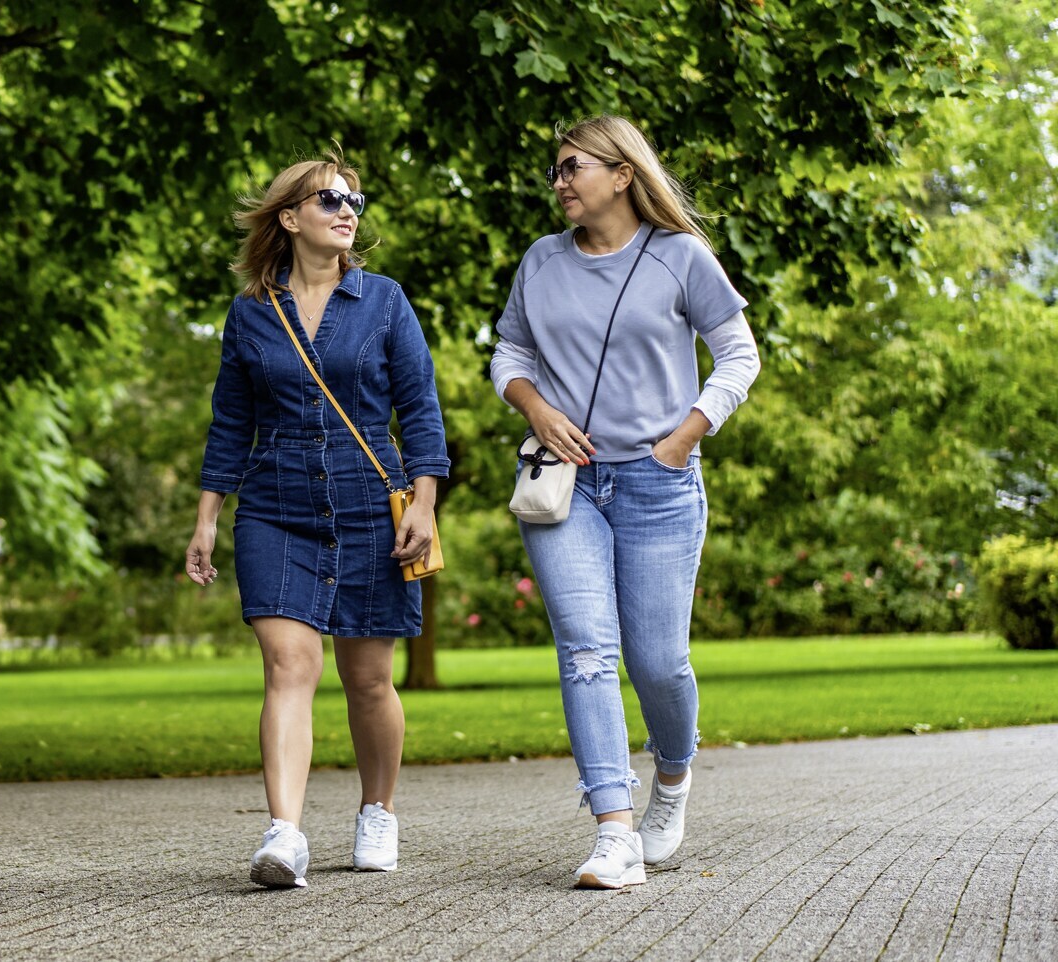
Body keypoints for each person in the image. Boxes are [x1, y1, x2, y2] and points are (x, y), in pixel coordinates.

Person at [490, 116, 761, 889]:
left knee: (657, 662)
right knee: (585, 649)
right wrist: (534, 407)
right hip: (566, 486)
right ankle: (613, 829)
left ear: (622, 174)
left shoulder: (679, 258)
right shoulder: (541, 263)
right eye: (556, 170)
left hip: (658, 483)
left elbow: (739, 353)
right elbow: (509, 350)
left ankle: (671, 779)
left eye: (573, 167)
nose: (560, 181)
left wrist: (684, 438)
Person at [186, 151, 450, 889]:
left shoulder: (385, 301)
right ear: (289, 216)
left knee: (367, 681)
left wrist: (423, 503)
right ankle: (285, 834)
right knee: (289, 664)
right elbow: (229, 425)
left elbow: (421, 411)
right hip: (274, 507)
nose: (346, 211)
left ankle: (378, 811)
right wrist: (207, 519)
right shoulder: (250, 313)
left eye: (354, 201)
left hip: (374, 508)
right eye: (329, 199)